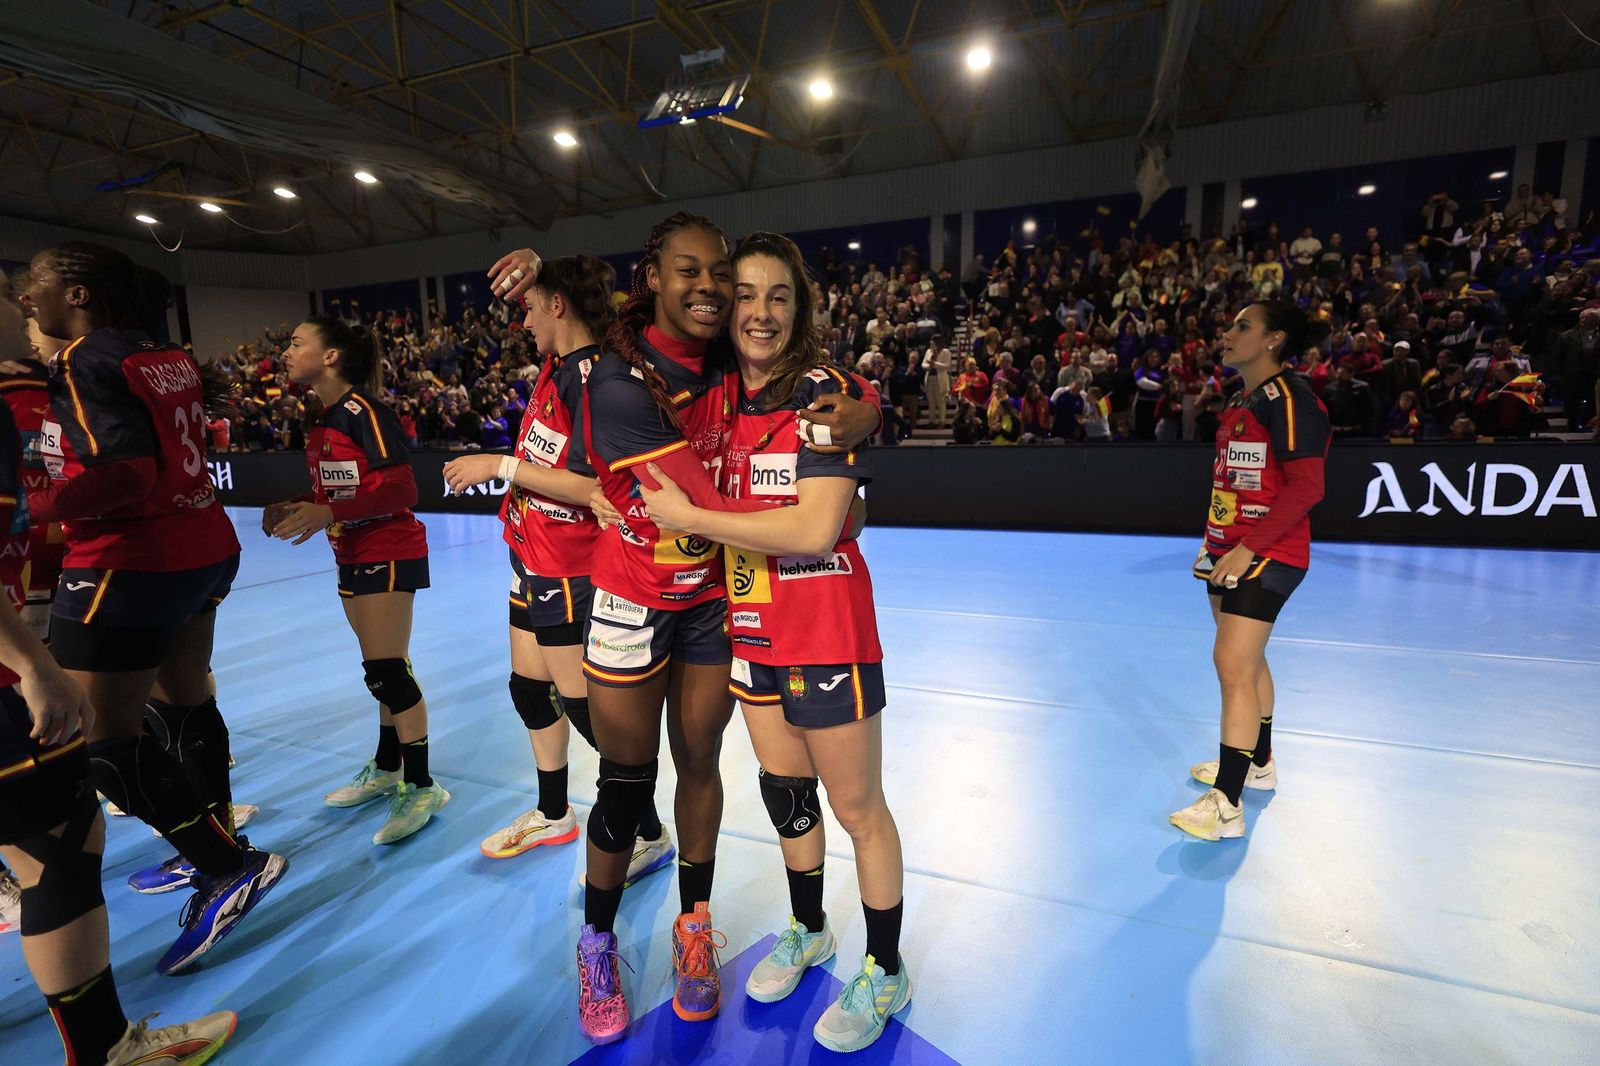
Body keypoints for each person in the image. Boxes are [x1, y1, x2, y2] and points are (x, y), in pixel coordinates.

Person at [489, 217, 878, 1045]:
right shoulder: (608, 369)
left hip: (712, 601)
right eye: (687, 272)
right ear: (653, 278)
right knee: (625, 782)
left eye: (719, 275)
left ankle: (692, 928)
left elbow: (820, 399)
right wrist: (541, 272)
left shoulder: (739, 370)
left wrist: (867, 413)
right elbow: (569, 386)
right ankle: (597, 942)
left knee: (699, 761)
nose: (707, 289)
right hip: (629, 594)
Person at [637, 231, 911, 1053]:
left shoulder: (824, 391)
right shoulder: (717, 401)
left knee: (857, 808)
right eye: (746, 295)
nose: (761, 312)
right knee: (786, 797)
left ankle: (886, 969)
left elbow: (819, 522)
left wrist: (691, 521)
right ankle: (809, 929)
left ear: (802, 308)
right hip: (750, 630)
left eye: (779, 296)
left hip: (827, 631)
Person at [25, 242, 286, 975]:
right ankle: (218, 834)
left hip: (129, 561)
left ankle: (224, 863)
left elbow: (122, 473)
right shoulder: (162, 352)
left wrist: (33, 502)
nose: (25, 299)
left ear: (77, 295)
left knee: (98, 743)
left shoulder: (82, 361)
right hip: (202, 543)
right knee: (183, 699)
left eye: (36, 286)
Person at [442, 258, 673, 879]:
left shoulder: (594, 377)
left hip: (569, 567)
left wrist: (500, 466)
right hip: (530, 554)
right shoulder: (558, 365)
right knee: (527, 689)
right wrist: (541, 266)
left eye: (531, 305)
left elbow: (592, 481)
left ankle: (646, 828)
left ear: (559, 306)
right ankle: (554, 813)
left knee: (586, 711)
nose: (521, 318)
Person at [266, 316, 448, 845]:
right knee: (380, 670)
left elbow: (402, 488)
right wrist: (308, 504)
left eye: (297, 342)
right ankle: (388, 765)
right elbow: (345, 486)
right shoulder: (322, 416)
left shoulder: (365, 412)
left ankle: (421, 785)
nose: (287, 351)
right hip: (350, 549)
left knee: (388, 671)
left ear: (330, 356)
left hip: (387, 548)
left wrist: (328, 512)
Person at [1174, 300, 1330, 842]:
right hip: (1226, 549)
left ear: (1273, 340)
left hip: (1266, 553)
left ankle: (1228, 805)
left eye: (1243, 326)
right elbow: (1235, 481)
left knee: (1232, 666)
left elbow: (1308, 487)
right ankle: (1257, 762)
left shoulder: (1292, 400)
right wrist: (1214, 542)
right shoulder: (1245, 397)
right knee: (1249, 659)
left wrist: (1247, 549)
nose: (1228, 333)